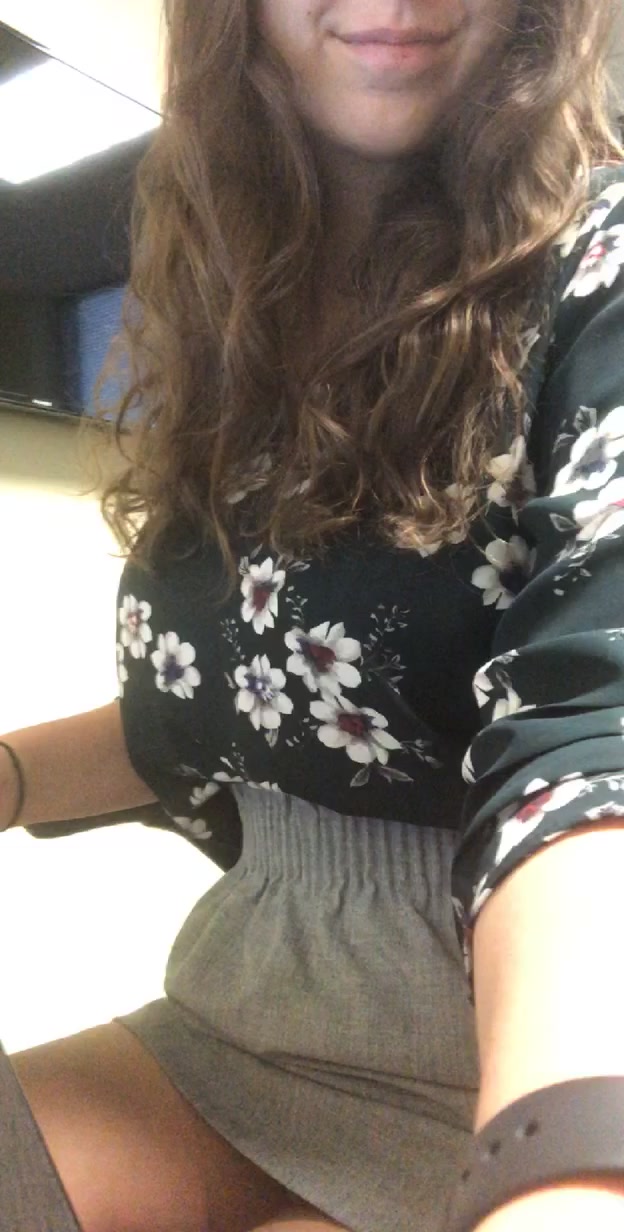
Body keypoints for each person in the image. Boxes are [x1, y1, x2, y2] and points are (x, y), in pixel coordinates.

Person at [1, 1, 624, 1230]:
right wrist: (9, 775)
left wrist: (563, 1164)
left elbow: (594, 738)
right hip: (236, 1030)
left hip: (501, 1069)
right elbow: (214, 716)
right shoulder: (241, 325)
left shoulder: (600, 264)